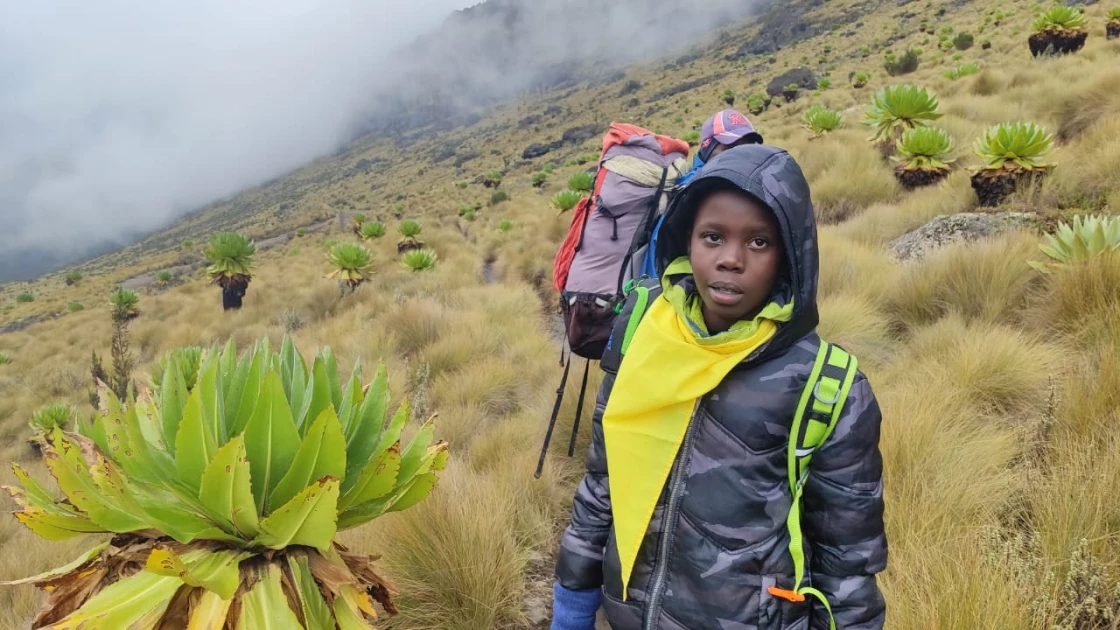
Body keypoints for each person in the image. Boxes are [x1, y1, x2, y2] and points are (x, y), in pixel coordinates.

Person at [550, 144, 887, 630]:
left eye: (758, 243)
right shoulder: (643, 333)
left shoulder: (828, 386)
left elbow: (848, 562)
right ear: (686, 241)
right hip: (625, 613)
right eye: (712, 237)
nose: (730, 259)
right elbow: (602, 484)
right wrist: (573, 604)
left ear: (791, 255)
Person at [677, 109, 764, 186]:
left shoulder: (758, 181)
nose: (740, 156)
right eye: (730, 148)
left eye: (747, 148)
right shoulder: (693, 190)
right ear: (707, 147)